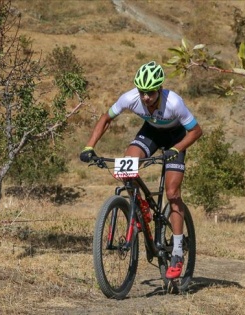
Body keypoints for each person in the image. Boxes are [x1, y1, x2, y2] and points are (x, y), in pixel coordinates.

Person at [79, 61, 203, 279]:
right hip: (152, 133)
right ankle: (141, 206)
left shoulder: (174, 102)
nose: (146, 98)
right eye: (142, 92)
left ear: (160, 89)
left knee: (172, 193)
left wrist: (175, 149)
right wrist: (90, 146)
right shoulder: (130, 98)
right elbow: (106, 118)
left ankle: (176, 251)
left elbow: (195, 131)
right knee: (127, 166)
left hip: (177, 137)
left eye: (151, 93)